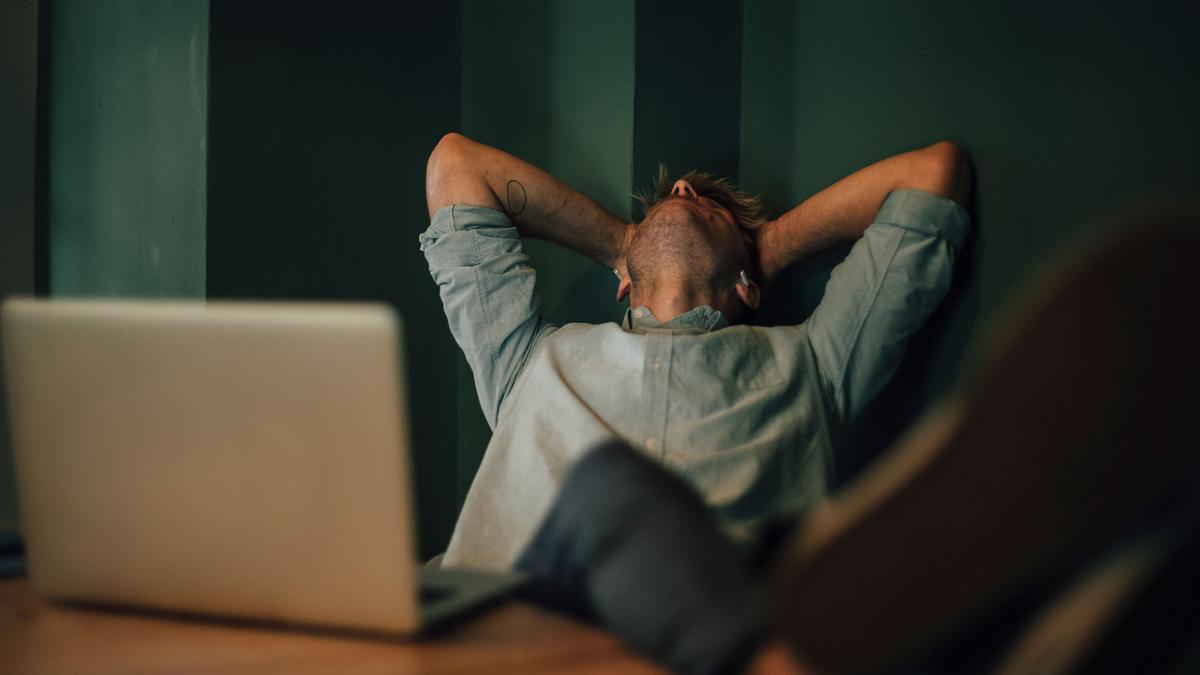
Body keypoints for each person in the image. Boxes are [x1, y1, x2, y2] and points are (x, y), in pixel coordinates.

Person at [420, 132, 972, 570]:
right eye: (666, 202)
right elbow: (457, 165)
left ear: (748, 286)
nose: (682, 189)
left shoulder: (818, 360)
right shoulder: (526, 358)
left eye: (713, 206)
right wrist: (620, 243)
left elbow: (933, 174)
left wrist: (773, 245)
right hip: (499, 639)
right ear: (623, 283)